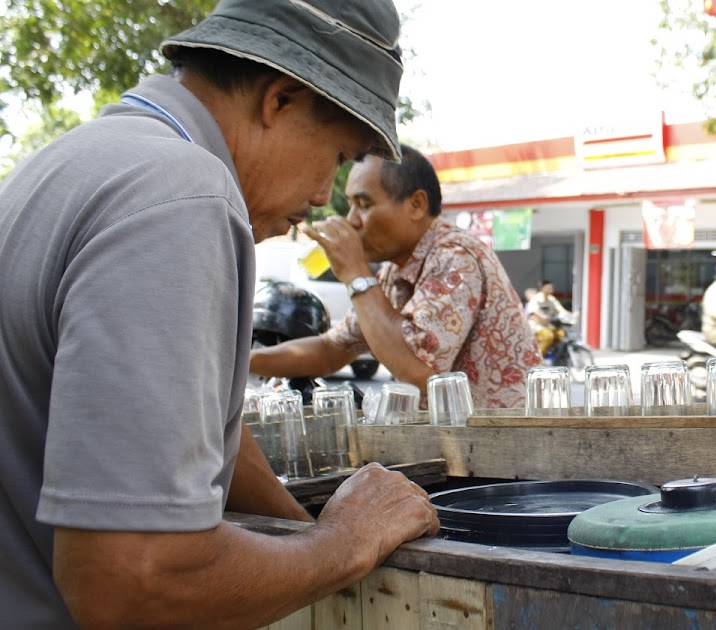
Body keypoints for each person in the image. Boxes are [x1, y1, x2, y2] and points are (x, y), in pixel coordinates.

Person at [0, 2, 441, 627]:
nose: (323, 196)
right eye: (339, 156)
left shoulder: (73, 161)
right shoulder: (182, 195)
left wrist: (301, 523)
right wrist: (343, 545)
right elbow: (131, 582)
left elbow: (207, 435)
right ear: (280, 98)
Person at [249, 149, 541, 409]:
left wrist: (356, 274)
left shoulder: (455, 256)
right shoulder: (392, 273)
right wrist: (237, 364)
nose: (352, 220)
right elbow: (330, 350)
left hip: (501, 457)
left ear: (416, 204)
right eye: (350, 205)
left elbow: (417, 372)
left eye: (363, 204)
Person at [528, 280, 570, 356]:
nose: (551, 290)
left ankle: (554, 355)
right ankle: (538, 357)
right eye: (548, 288)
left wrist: (568, 315)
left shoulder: (551, 299)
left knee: (561, 334)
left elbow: (560, 309)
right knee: (548, 336)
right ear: (542, 288)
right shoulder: (536, 299)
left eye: (552, 288)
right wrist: (542, 316)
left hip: (548, 325)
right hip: (537, 326)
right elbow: (533, 311)